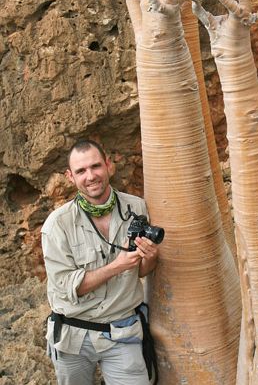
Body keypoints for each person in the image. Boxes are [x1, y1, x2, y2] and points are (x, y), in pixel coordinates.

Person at [41, 139, 159, 385]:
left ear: (109, 166)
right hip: (73, 338)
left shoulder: (136, 207)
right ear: (70, 177)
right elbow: (70, 287)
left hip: (123, 331)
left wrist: (150, 257)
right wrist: (118, 265)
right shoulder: (57, 225)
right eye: (81, 171)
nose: (91, 176)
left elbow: (142, 271)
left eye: (95, 166)